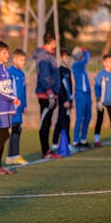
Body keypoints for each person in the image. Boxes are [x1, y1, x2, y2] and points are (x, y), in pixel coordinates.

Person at [0, 41, 20, 175]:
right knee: (3, 134)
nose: (7, 55)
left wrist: (14, 99)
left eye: (7, 52)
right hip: (0, 106)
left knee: (5, 134)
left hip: (8, 106)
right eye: (4, 53)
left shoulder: (5, 69)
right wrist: (11, 98)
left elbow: (8, 88)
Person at [33, 31, 62, 159]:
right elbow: (45, 77)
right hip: (46, 95)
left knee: (48, 122)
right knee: (44, 123)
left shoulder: (48, 56)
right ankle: (45, 151)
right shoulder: (44, 57)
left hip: (51, 94)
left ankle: (47, 150)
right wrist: (50, 93)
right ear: (53, 42)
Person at [6, 48, 29, 166]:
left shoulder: (22, 74)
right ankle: (14, 155)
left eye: (24, 60)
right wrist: (11, 104)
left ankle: (11, 156)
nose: (23, 62)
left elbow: (23, 91)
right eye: (21, 60)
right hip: (13, 106)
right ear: (14, 60)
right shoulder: (10, 72)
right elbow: (9, 90)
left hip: (20, 107)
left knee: (17, 129)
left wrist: (25, 105)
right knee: (15, 129)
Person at [94, 54, 111, 147]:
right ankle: (96, 140)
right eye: (110, 62)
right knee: (99, 120)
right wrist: (98, 100)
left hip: (110, 101)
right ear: (104, 63)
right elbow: (97, 87)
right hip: (102, 101)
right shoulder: (101, 74)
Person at [51, 49, 73, 151]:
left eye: (68, 57)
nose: (67, 59)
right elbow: (60, 87)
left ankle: (55, 143)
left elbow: (70, 87)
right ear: (61, 58)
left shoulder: (68, 71)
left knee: (60, 121)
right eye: (65, 57)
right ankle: (67, 144)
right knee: (65, 121)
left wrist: (71, 100)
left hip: (68, 101)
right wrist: (64, 100)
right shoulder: (59, 71)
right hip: (63, 101)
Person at [71, 46, 92, 149]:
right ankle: (76, 140)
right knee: (80, 118)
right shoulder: (76, 65)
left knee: (88, 117)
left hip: (87, 94)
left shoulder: (82, 67)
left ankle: (83, 139)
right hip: (80, 94)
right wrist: (86, 50)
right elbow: (87, 59)